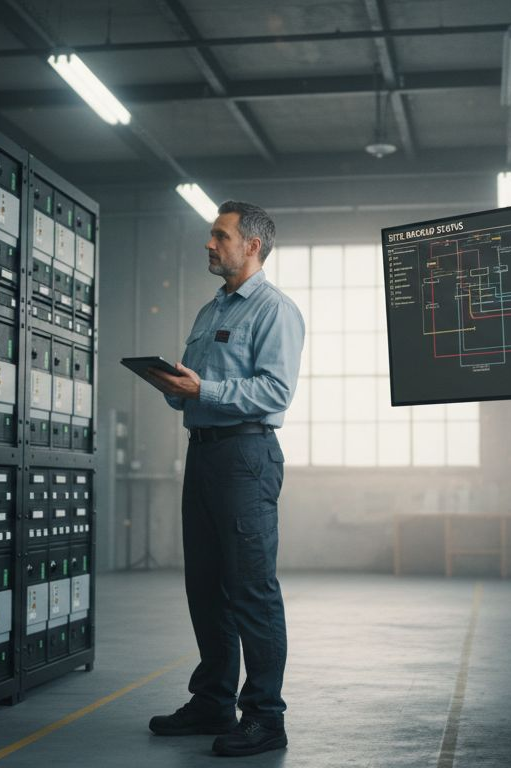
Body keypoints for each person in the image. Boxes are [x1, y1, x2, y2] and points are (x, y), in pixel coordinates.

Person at [145, 200, 305, 757]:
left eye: (220, 235)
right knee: (206, 587)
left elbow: (275, 392)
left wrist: (203, 392)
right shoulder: (212, 310)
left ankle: (265, 716)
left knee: (251, 591)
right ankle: (213, 700)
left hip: (245, 457)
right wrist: (174, 385)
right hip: (205, 453)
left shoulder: (274, 310)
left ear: (252, 245)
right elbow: (195, 387)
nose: (209, 244)